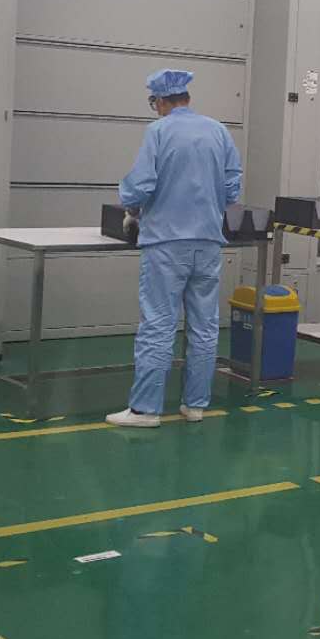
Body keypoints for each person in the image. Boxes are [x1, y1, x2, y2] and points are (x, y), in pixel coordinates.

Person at [105, 69, 243, 429]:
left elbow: (139, 186)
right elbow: (232, 188)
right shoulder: (218, 131)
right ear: (187, 98)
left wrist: (132, 209)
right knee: (204, 326)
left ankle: (145, 410)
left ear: (161, 102)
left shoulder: (159, 131)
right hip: (208, 243)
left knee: (158, 325)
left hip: (166, 244)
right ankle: (195, 405)